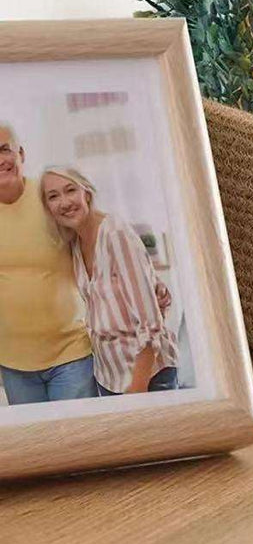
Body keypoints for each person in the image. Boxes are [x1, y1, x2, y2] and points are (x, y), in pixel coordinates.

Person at [39, 167, 179, 395]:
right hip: (108, 375)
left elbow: (150, 324)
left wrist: (138, 387)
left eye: (70, 190)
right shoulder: (74, 244)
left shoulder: (115, 234)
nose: (64, 202)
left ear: (87, 193)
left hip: (146, 374)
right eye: (53, 196)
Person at [0, 122, 95, 404]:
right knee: (41, 447)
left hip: (71, 353)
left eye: (4, 149)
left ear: (21, 154)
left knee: (79, 443)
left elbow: (94, 236)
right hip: (13, 362)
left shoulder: (50, 196)